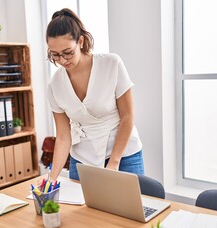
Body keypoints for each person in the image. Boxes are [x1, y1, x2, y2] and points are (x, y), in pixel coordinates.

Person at [46, 8, 144, 182]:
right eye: (55, 55)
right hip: (83, 160)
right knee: (83, 209)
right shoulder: (55, 85)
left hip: (123, 155)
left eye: (68, 52)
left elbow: (128, 117)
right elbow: (63, 136)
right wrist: (52, 178)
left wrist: (113, 163)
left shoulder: (111, 64)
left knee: (130, 208)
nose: (62, 60)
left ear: (81, 41)